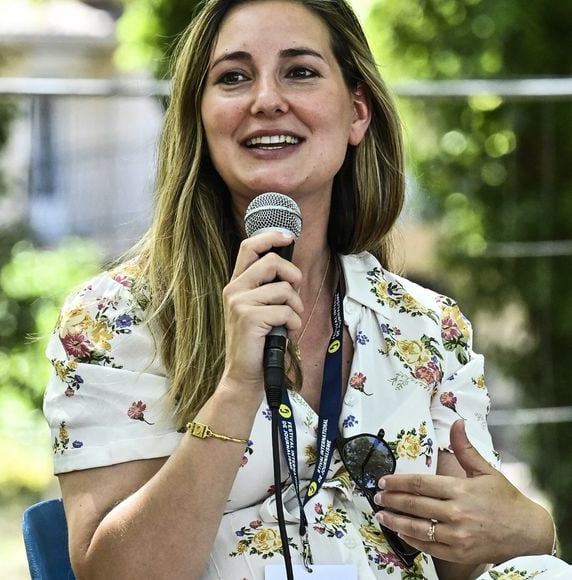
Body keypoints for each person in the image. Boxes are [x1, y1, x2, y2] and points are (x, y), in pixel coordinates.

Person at [43, 0, 561, 578]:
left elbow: (468, 555)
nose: (266, 100)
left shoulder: (426, 325)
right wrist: (237, 387)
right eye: (233, 77)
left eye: (301, 71)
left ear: (357, 113)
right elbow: (115, 573)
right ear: (201, 118)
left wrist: (533, 531)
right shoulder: (113, 319)